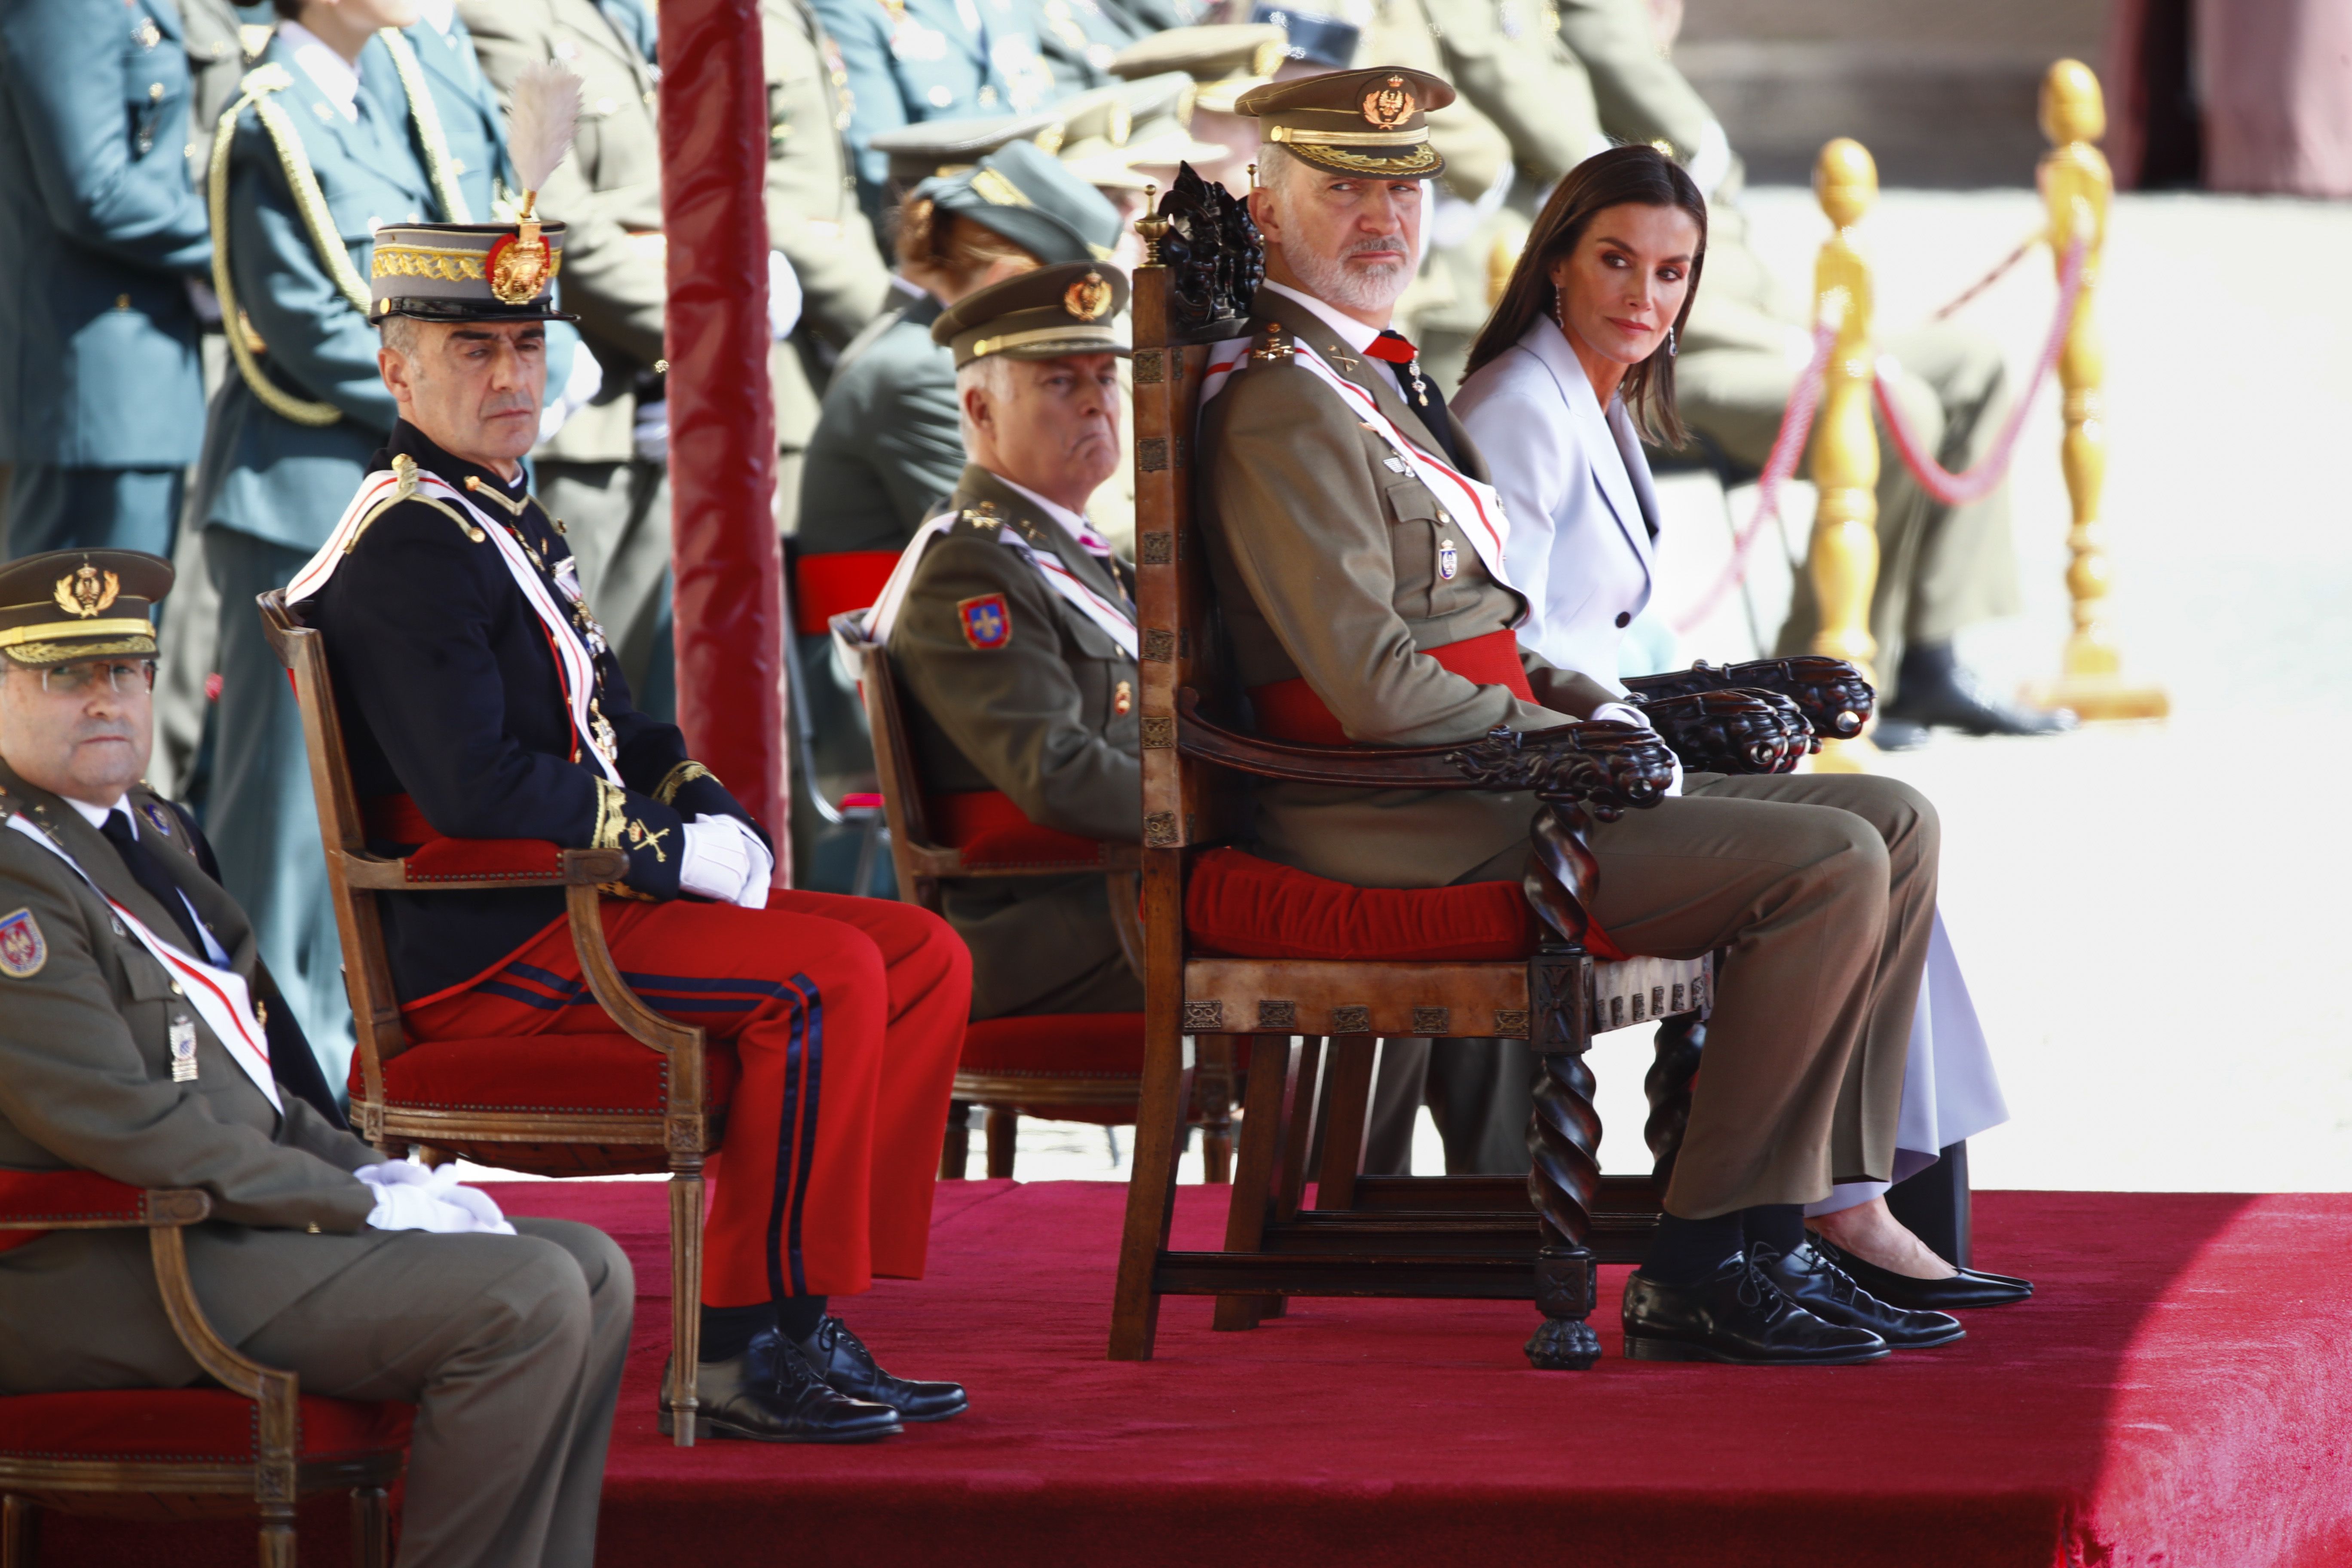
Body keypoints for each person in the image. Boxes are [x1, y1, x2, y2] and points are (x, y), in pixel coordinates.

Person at [1196, 67, 1965, 1364]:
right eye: (1344, 188)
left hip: (1489, 774)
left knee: (1893, 814)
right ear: (1266, 210)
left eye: (1404, 187)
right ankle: (1703, 1254)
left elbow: (1493, 633)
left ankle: (1798, 1221)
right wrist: (1578, 744)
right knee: (1827, 863)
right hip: (1405, 817)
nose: (1386, 218)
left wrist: (1602, 710)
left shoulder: (1365, 381)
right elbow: (1375, 685)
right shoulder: (1283, 404)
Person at [291, 203, 974, 1441]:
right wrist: (664, 853)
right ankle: (733, 1350)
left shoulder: (496, 511)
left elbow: (615, 721)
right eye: (472, 351)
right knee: (822, 981)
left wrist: (701, 800)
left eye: (527, 349)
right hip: (496, 940)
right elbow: (474, 789)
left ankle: (804, 1307)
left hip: (578, 896)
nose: (511, 376)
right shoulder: (409, 544)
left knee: (923, 954)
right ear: (398, 369)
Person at [1453, 143, 2032, 1311]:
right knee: (1840, 853)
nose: (1644, 297)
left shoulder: (1599, 396)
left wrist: (1686, 700)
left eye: (1673, 275)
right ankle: (1730, 1240)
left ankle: (1848, 1193)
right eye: (1616, 261)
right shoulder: (1521, 401)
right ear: (1556, 259)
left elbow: (1597, 633)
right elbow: (1503, 644)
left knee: (1901, 815)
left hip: (1615, 757)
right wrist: (1638, 725)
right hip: (1548, 784)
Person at [0, 548, 631, 1568]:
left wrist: (364, 1168)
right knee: (526, 1296)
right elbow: (122, 1122)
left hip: (222, 1233)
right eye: (63, 676)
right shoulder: (14, 875)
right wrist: (351, 1207)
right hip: (107, 1262)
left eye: (123, 671)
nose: (104, 700)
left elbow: (250, 1080)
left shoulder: (151, 834)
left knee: (595, 1268)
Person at [1501, 0, 2066, 742]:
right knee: (1886, 406)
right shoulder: (1552, 65)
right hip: (1674, 362)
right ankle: (1815, 674)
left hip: (1767, 328)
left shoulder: (1638, 86)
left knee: (1973, 364)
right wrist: (1804, 352)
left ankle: (1925, 656)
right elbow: (1636, 287)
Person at [193, 0, 459, 1103]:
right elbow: (301, 318)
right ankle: (266, 1067)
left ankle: (348, 1060)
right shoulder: (271, 116)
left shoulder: (391, 95)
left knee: (357, 789)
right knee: (283, 808)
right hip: (295, 488)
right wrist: (450, 394)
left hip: (379, 489)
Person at [864, 263, 1143, 1020]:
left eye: (1103, 378)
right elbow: (1058, 773)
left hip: (1127, 894)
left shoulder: (1079, 552)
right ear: (981, 408)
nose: (1096, 402)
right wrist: (1232, 800)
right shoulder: (972, 564)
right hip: (1054, 929)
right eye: (1059, 382)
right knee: (1372, 948)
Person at [461, 0, 681, 718]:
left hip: (651, 400)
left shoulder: (616, 15)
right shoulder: (510, 16)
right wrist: (699, 325)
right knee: (561, 698)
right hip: (583, 416)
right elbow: (553, 216)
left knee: (629, 702)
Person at [0, 0, 216, 563]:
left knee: (127, 641)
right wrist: (238, 239)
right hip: (94, 383)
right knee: (76, 641)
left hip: (143, 379)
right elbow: (94, 193)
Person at [765, 0, 894, 538]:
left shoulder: (788, 11)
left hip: (828, 326)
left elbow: (839, 194)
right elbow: (723, 179)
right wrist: (882, 317)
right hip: (792, 329)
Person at [808, 0, 1058, 222]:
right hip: (943, 233)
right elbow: (879, 168)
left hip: (1040, 208)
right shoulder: (851, 7)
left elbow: (1045, 111)